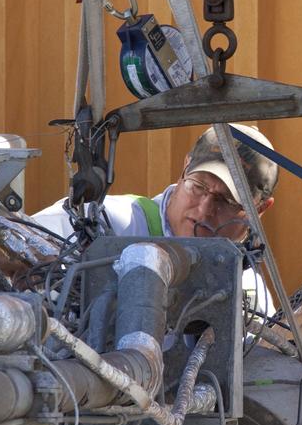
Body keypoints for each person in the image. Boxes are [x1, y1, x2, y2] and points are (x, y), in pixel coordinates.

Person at [32, 124, 279, 315]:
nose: (204, 209)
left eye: (226, 201)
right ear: (185, 167)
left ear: (260, 210)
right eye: (199, 186)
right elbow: (7, 240)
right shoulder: (110, 223)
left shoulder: (248, 292)